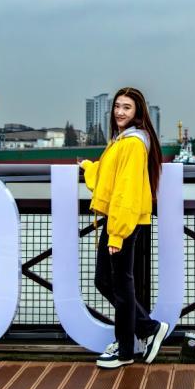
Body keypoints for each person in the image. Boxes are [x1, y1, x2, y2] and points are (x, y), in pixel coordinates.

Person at [79, 87, 169, 369]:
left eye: (127, 107)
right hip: (120, 218)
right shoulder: (124, 140)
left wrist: (117, 233)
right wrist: (90, 169)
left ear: (138, 113)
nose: (119, 112)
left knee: (118, 283)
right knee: (108, 281)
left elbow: (126, 192)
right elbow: (111, 180)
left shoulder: (131, 143)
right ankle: (146, 330)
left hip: (122, 221)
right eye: (117, 106)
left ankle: (127, 350)